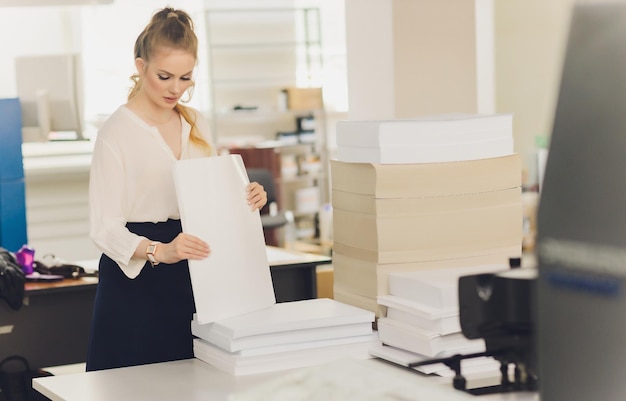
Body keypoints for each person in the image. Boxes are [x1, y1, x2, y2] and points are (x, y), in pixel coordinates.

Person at [86, 7, 267, 371]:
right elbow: (103, 227)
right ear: (140, 66)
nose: (176, 89)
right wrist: (160, 251)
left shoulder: (195, 122)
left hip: (194, 271)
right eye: (165, 76)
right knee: (134, 386)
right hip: (136, 278)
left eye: (186, 78)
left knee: (194, 380)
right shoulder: (115, 133)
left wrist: (247, 196)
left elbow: (210, 193)